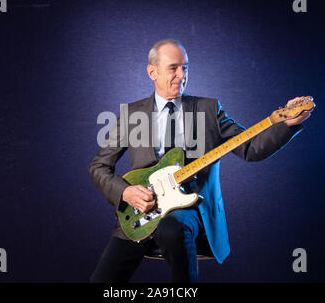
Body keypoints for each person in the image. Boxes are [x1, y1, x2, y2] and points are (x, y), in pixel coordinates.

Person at [88, 39, 312, 283]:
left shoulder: (208, 109)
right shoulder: (132, 114)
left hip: (189, 210)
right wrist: (125, 192)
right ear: (152, 72)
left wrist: (286, 125)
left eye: (185, 68)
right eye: (173, 68)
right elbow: (98, 166)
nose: (181, 75)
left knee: (172, 229)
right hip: (139, 213)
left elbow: (251, 148)